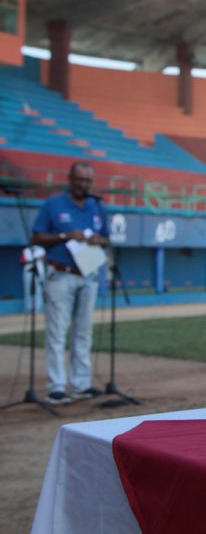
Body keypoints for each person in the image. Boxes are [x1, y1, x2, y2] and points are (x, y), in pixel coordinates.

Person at [31, 162, 109, 404]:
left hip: (88, 274)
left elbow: (107, 238)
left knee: (83, 332)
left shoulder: (96, 206)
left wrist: (99, 240)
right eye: (79, 179)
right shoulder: (54, 204)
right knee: (57, 332)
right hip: (60, 274)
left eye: (87, 181)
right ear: (70, 179)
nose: (83, 184)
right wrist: (65, 235)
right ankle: (56, 386)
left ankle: (81, 384)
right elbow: (36, 236)